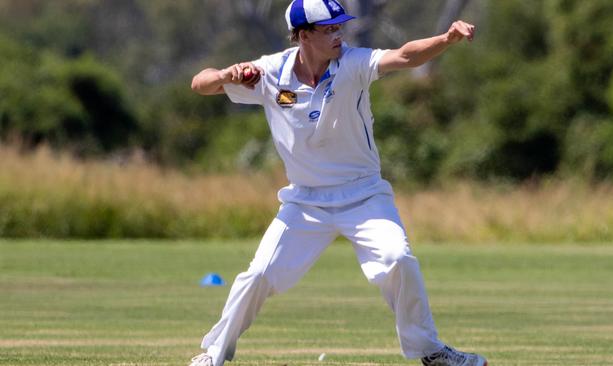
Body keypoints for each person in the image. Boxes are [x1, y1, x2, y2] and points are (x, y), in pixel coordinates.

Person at [189, 1, 485, 365]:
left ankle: (431, 352)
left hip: (363, 194)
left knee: (398, 259)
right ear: (303, 35)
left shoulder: (354, 63)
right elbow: (199, 84)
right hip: (304, 203)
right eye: (329, 29)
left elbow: (406, 57)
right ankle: (213, 356)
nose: (338, 34)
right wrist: (226, 76)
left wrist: (447, 38)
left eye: (339, 26)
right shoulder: (270, 72)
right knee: (259, 274)